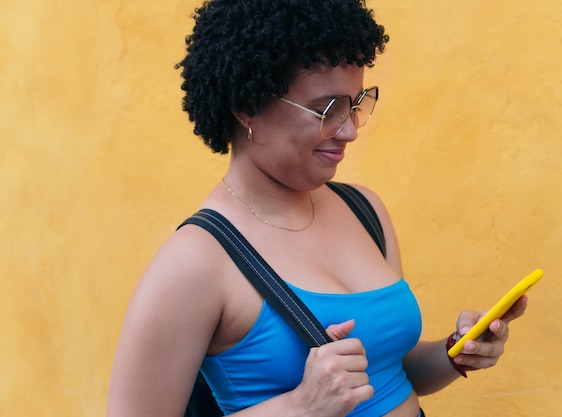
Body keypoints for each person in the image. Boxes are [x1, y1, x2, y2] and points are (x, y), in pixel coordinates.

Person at [106, 0, 528, 416]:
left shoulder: (365, 210)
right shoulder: (195, 262)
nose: (349, 131)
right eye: (327, 109)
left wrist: (456, 352)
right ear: (246, 105)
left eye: (356, 104)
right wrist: (300, 406)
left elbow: (388, 371)